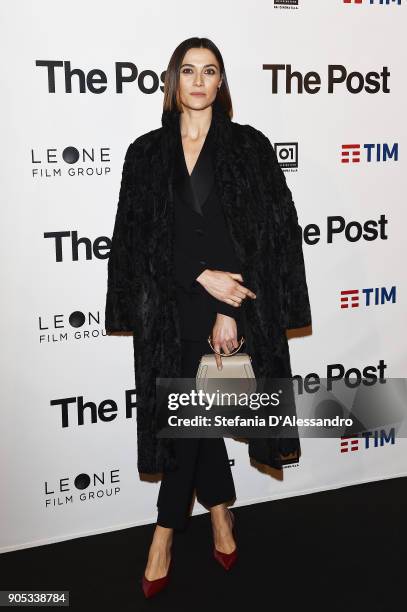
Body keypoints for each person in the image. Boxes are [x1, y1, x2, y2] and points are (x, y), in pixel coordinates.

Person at [105, 37, 312, 598]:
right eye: (189, 70)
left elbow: (270, 236)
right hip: (169, 305)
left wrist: (229, 307)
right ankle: (220, 512)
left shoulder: (250, 148)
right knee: (191, 417)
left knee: (189, 417)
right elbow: (135, 241)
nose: (199, 80)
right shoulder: (144, 154)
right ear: (174, 82)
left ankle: (165, 530)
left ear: (222, 84)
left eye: (211, 71)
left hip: (235, 305)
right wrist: (200, 277)